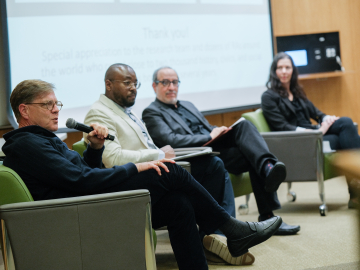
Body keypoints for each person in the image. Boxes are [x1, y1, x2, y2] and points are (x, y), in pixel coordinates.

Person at [2, 79, 282, 270]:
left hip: (86, 202)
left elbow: (81, 172)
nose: (55, 110)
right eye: (47, 105)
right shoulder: (28, 144)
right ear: (24, 111)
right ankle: (232, 229)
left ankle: (227, 237)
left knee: (178, 206)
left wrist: (95, 148)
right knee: (169, 171)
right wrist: (136, 167)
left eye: (57, 103)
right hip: (78, 214)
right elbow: (81, 182)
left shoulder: (41, 139)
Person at [83, 63, 239, 265]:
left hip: (151, 174)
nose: (133, 88)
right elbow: (112, 159)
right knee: (196, 171)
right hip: (126, 185)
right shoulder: (99, 113)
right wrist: (157, 154)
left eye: (136, 83)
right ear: (108, 84)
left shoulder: (125, 111)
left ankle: (215, 236)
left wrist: (161, 154)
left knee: (191, 189)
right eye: (127, 83)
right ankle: (228, 228)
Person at [142, 66, 300, 235]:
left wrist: (220, 130)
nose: (171, 87)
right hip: (196, 157)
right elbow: (170, 140)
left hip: (215, 148)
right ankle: (267, 169)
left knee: (246, 132)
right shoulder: (152, 112)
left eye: (174, 82)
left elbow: (208, 127)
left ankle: (268, 201)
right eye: (165, 83)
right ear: (154, 86)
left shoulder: (187, 105)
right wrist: (209, 136)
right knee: (246, 142)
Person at [261, 52, 360, 207]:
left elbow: (317, 114)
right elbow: (281, 126)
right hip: (300, 140)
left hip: (315, 132)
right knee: (343, 139)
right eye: (280, 68)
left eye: (287, 67)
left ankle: (356, 192)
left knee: (346, 123)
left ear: (293, 70)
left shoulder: (297, 92)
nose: (284, 71)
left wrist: (327, 119)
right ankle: (355, 195)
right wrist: (317, 131)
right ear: (274, 71)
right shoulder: (268, 97)